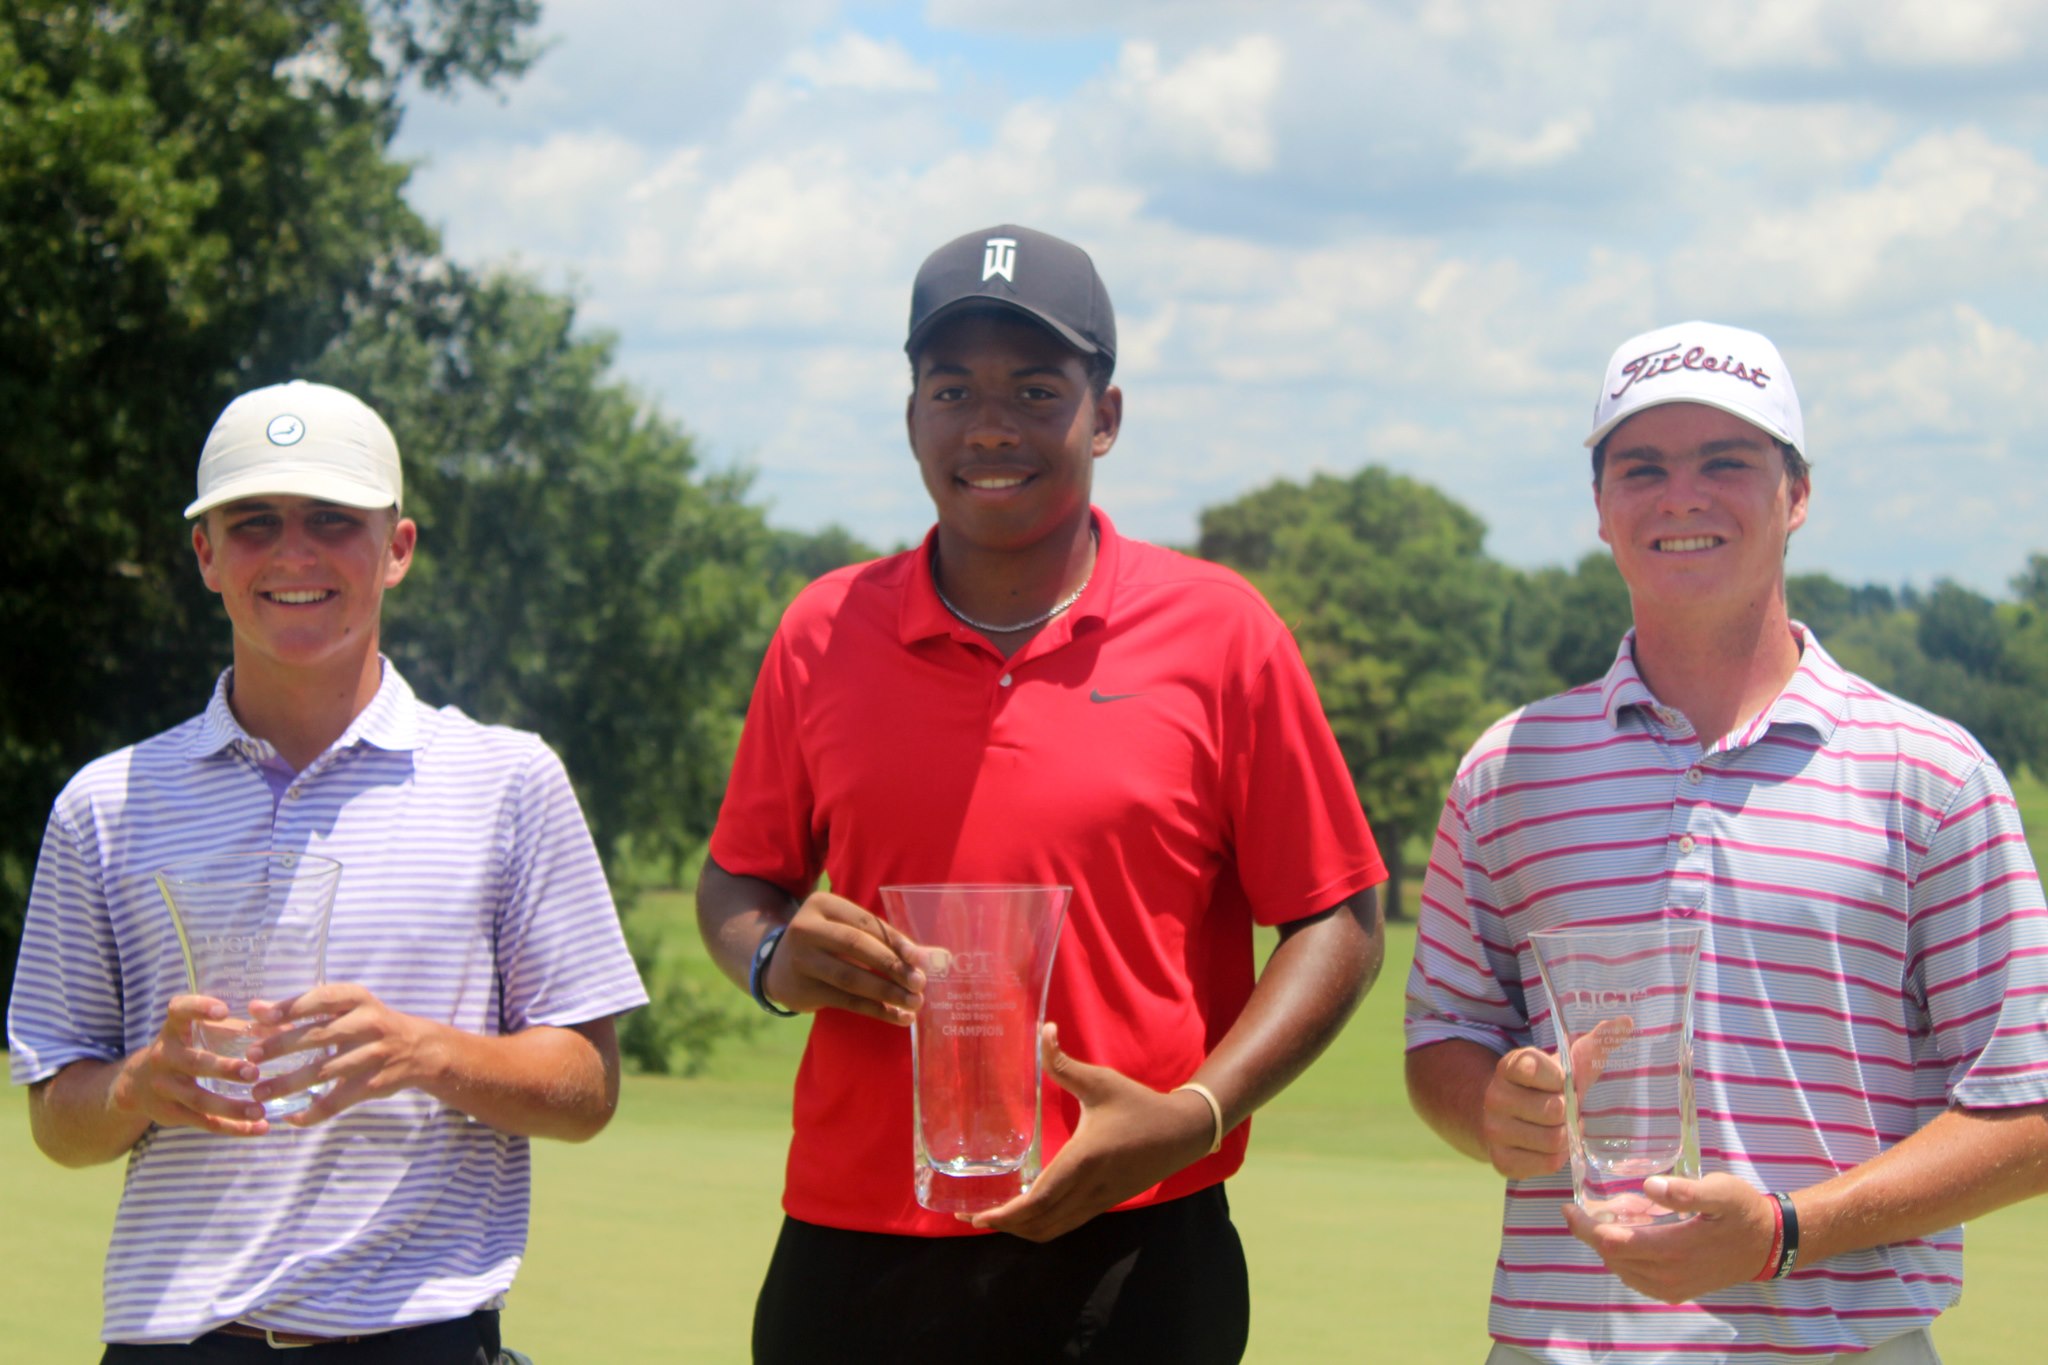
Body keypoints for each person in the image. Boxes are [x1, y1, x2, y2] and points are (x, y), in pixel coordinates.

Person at [696, 224, 1389, 1363]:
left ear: (1103, 416)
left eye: (1034, 389)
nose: (989, 427)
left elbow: (1336, 914)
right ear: (911, 414)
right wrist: (770, 959)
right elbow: (739, 878)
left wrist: (1195, 1116)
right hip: (857, 1242)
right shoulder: (824, 629)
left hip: (1134, 1241)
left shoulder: (1219, 631)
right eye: (951, 387)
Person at [1403, 321, 2048, 1365]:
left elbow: (2026, 1110)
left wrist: (1782, 1235)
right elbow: (1444, 1035)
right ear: (1601, 507)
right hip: (1559, 1344)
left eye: (1725, 463)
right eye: (1642, 467)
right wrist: (1487, 1106)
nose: (1680, 496)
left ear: (1795, 495)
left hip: (1843, 1345)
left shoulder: (1930, 775)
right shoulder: (1508, 768)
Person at [7, 380, 648, 1362]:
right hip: (172, 1338)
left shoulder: (507, 780)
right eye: (253, 522)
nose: (294, 554)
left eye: (332, 522)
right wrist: (141, 1082)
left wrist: (422, 1052)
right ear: (205, 556)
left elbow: (585, 1085)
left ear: (396, 550)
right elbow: (59, 1116)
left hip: (420, 1337)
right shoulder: (105, 801)